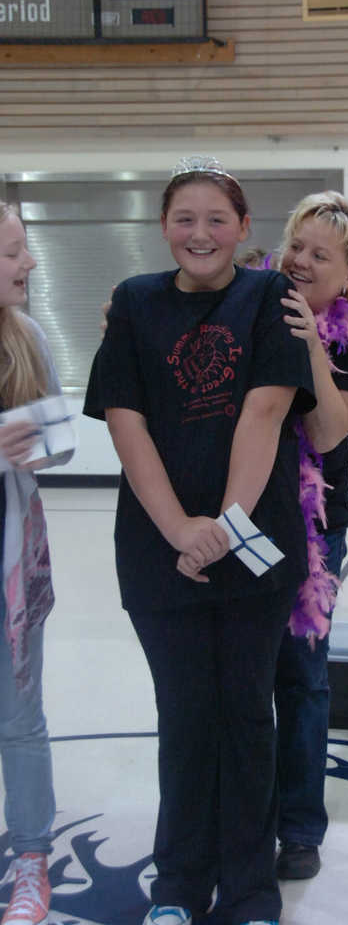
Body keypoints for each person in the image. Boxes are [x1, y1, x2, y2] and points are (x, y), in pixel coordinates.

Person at [83, 157, 316, 925]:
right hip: (160, 550)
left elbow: (266, 411)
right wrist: (179, 528)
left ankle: (251, 890)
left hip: (254, 546)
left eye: (217, 218)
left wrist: (220, 528)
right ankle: (179, 883)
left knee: (247, 712)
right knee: (184, 715)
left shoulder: (269, 295)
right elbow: (125, 418)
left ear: (245, 229)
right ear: (163, 228)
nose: (201, 232)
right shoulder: (133, 301)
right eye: (185, 218)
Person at [265, 192, 348, 880]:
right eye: (297, 247)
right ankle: (246, 814)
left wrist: (309, 343)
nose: (301, 262)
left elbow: (327, 431)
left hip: (313, 533)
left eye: (320, 255)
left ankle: (300, 829)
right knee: (246, 677)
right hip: (244, 522)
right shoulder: (256, 309)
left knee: (304, 680)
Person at [0, 202, 73, 925]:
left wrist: (35, 436)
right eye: (14, 252)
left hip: (13, 563)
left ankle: (30, 858)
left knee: (19, 718)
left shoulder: (27, 336)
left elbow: (63, 440)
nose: (28, 264)